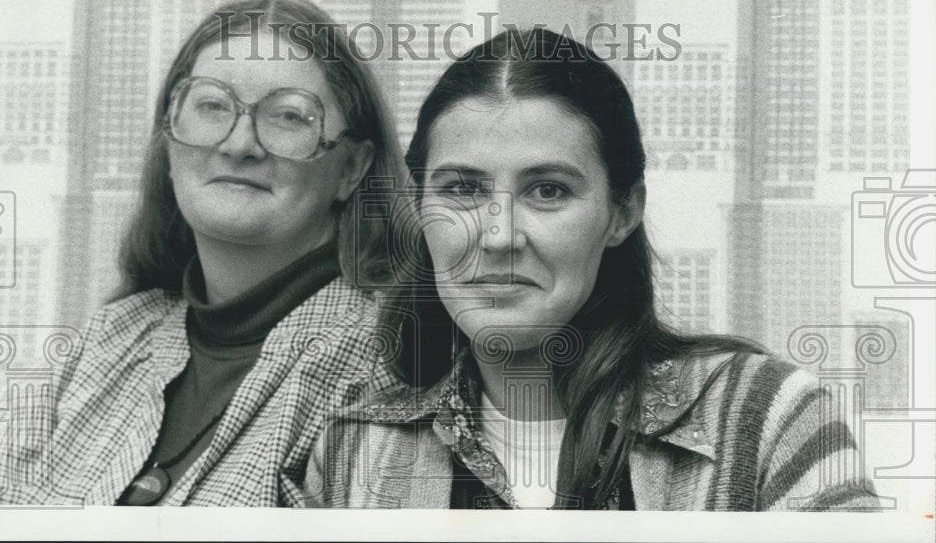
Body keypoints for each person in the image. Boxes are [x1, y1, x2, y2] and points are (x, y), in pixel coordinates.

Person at [302, 28, 880, 510]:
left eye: (548, 190)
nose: (499, 235)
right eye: (462, 190)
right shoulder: (355, 449)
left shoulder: (767, 420)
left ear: (622, 212)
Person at [0, 0, 404, 506]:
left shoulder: (387, 367)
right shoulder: (95, 348)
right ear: (169, 138)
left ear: (351, 168)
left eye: (288, 116)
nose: (240, 144)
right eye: (212, 106)